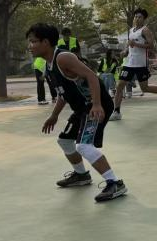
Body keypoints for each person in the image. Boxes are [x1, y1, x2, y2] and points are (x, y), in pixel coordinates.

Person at [28, 23, 126, 202]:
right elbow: (63, 94)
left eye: (33, 41)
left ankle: (115, 183)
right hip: (82, 108)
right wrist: (54, 115)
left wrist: (97, 104)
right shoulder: (48, 66)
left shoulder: (63, 58)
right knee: (65, 141)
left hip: (95, 105)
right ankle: (81, 175)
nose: (30, 46)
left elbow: (91, 76)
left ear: (46, 42)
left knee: (83, 146)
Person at [109, 8, 157, 120]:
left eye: (140, 17)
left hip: (140, 64)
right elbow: (130, 45)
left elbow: (151, 46)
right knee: (119, 86)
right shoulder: (131, 30)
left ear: (144, 19)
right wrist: (125, 51)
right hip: (129, 63)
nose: (137, 19)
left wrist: (136, 44)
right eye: (136, 17)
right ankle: (116, 112)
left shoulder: (145, 30)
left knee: (145, 88)